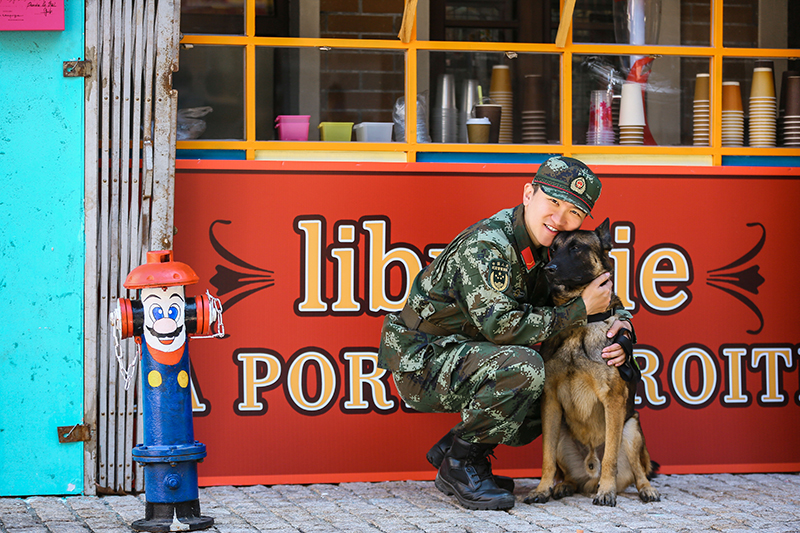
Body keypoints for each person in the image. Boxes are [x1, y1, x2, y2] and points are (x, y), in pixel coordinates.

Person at [377, 156, 635, 511]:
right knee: (528, 368)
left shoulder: (551, 248)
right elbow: (502, 327)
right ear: (529, 194)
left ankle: (458, 448)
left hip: (469, 351)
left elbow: (599, 297)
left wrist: (623, 330)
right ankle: (460, 464)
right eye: (553, 201)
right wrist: (579, 312)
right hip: (422, 359)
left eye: (574, 211)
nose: (560, 218)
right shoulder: (489, 245)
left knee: (546, 395)